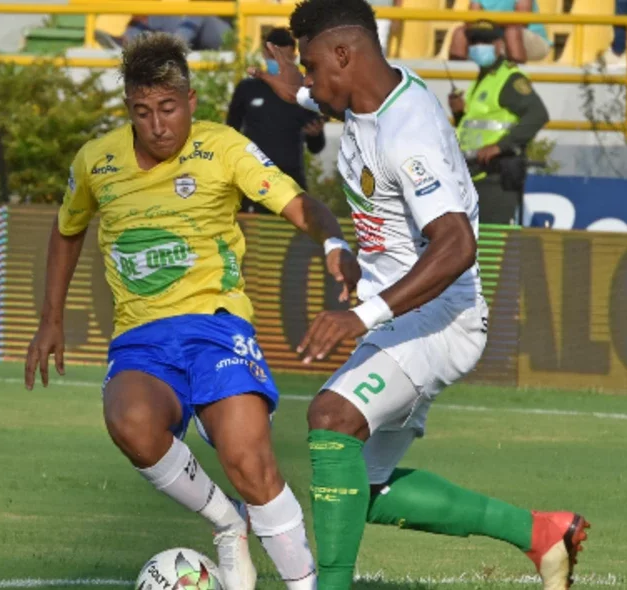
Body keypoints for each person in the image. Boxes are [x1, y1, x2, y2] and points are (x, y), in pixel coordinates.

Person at [249, 0, 588, 588]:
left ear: (343, 55)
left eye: (310, 66)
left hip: (438, 318)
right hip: (402, 318)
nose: (307, 79)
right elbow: (318, 96)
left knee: (331, 419)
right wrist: (292, 91)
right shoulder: (361, 96)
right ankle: (542, 534)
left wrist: (364, 315)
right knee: (363, 489)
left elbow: (456, 245)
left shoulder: (410, 134)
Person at [25, 32, 361, 590]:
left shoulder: (223, 147)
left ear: (190, 102)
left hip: (217, 327)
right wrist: (50, 319)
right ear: (128, 108)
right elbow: (67, 231)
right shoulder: (96, 162)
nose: (157, 124)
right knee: (129, 421)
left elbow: (299, 202)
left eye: (167, 108)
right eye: (142, 112)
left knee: (250, 462)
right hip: (141, 338)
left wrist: (331, 243)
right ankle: (228, 526)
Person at [450, 20, 548, 225]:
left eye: (485, 41)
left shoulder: (509, 78)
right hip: (474, 175)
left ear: (498, 44)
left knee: (490, 247)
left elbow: (537, 115)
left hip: (496, 176)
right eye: (474, 41)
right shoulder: (482, 80)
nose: (478, 46)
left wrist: (500, 146)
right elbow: (477, 128)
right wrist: (459, 114)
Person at [227, 27, 326, 210]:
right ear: (265, 54)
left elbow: (316, 146)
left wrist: (315, 135)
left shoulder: (304, 91)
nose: (279, 64)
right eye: (274, 58)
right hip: (253, 181)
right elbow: (230, 132)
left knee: (291, 236)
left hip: (290, 183)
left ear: (294, 58)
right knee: (251, 236)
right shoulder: (247, 89)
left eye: (285, 59)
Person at [449, 0, 551, 63]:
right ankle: (458, 86)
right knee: (460, 33)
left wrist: (487, 22)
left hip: (531, 39)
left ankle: (517, 83)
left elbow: (521, 20)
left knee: (511, 32)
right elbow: (471, 20)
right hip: (495, 32)